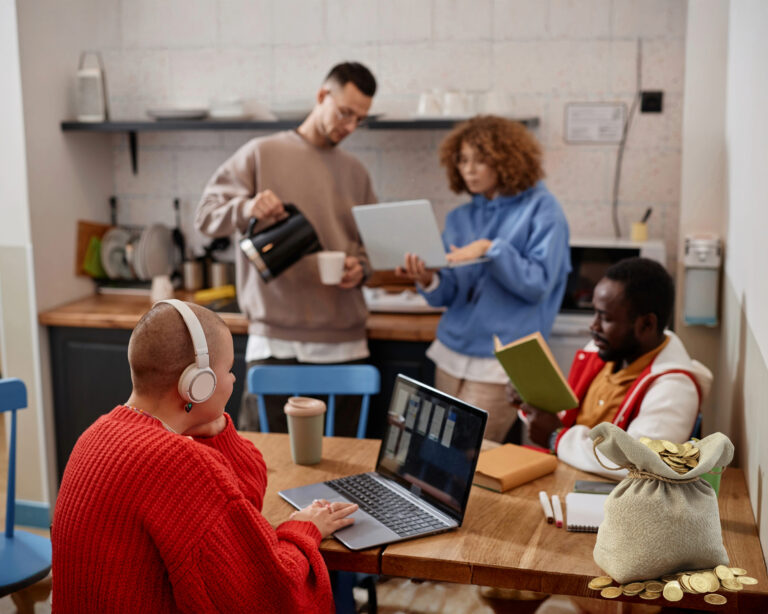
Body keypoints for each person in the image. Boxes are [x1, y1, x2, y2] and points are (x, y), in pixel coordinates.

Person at [52, 300, 358, 613]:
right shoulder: (176, 461)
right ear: (198, 384)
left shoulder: (96, 434)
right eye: (227, 370)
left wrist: (215, 428)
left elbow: (240, 503)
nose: (233, 380)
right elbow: (265, 594)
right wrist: (304, 529)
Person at [195, 61, 377, 434]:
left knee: (343, 469)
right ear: (322, 95)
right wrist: (246, 207)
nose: (350, 126)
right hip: (275, 342)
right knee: (265, 465)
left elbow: (373, 248)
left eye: (360, 120)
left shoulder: (356, 171)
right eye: (345, 113)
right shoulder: (261, 153)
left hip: (344, 344)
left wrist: (362, 268)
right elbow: (206, 217)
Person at [395, 115, 571, 442]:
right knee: (433, 448)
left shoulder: (544, 210)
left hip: (501, 361)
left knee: (467, 454)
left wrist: (491, 249)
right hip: (450, 352)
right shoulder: (460, 217)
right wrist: (430, 277)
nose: (469, 169)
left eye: (480, 160)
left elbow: (538, 285)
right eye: (462, 160)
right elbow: (448, 294)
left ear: (506, 160)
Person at [520, 257, 712, 479]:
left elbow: (639, 462)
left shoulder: (675, 389)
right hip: (566, 475)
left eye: (606, 318)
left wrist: (557, 438)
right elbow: (563, 418)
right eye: (595, 312)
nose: (593, 326)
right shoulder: (602, 350)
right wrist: (530, 397)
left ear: (647, 324)